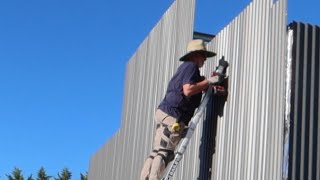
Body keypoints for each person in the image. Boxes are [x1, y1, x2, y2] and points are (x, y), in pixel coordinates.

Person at [140, 39, 224, 180]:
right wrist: (209, 81)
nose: (204, 59)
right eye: (203, 55)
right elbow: (188, 90)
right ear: (196, 55)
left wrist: (207, 85)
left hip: (164, 112)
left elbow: (191, 88)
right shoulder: (191, 67)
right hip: (174, 116)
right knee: (164, 153)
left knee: (157, 151)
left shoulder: (186, 69)